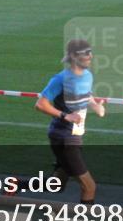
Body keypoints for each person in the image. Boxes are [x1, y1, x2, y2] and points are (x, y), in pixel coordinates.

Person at [35, 38, 106, 205]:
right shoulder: (60, 79)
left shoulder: (88, 75)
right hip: (63, 137)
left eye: (90, 52)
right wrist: (64, 116)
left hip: (75, 134)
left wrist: (95, 105)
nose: (90, 56)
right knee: (89, 187)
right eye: (85, 53)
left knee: (56, 185)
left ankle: (15, 184)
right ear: (74, 56)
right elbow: (40, 104)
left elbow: (85, 95)